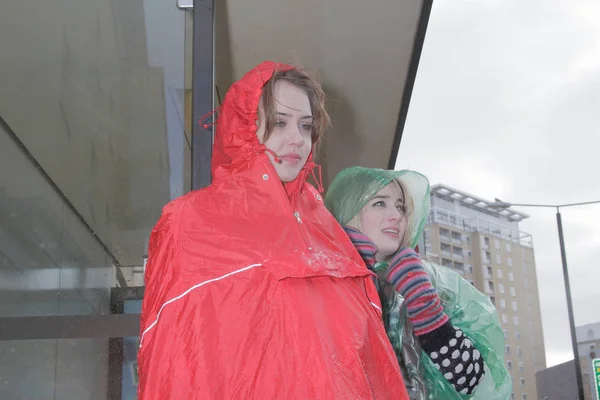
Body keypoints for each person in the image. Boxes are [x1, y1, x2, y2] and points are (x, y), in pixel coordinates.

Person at [137, 62, 410, 399]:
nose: (297, 139)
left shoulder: (330, 238)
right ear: (246, 127)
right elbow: (171, 365)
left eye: (306, 125)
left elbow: (375, 369)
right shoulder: (190, 223)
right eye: (279, 122)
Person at [325, 167, 512, 399]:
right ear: (348, 210)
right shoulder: (317, 281)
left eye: (400, 206)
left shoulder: (436, 284)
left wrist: (430, 316)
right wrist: (356, 280)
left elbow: (478, 384)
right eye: (380, 203)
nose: (396, 215)